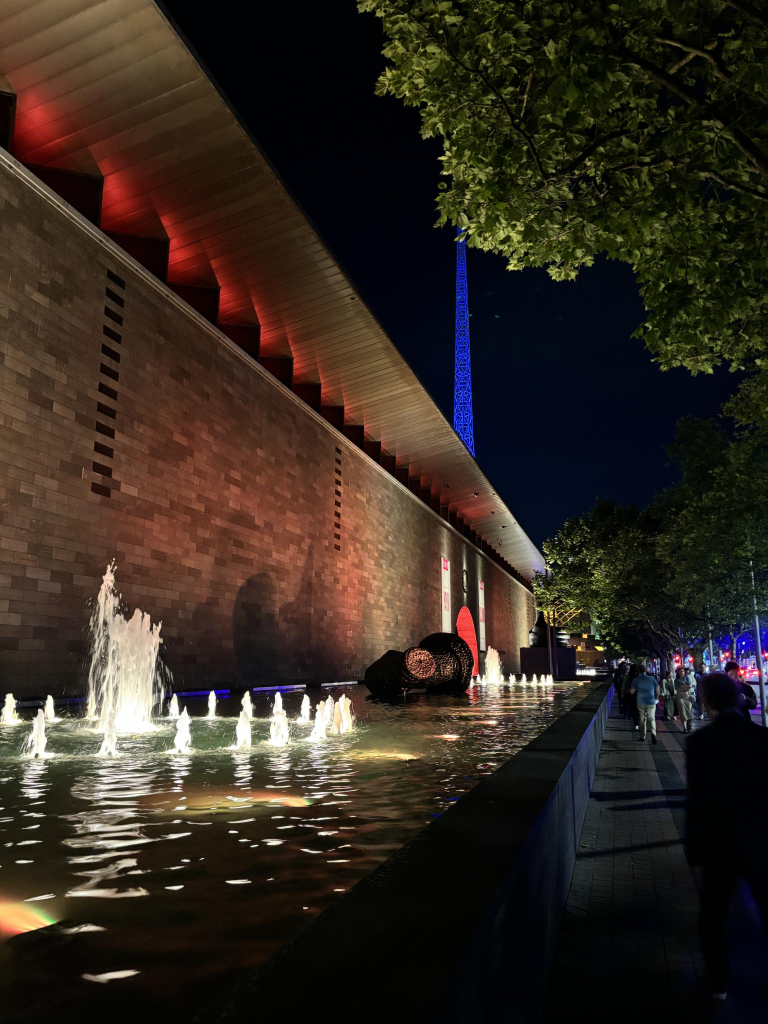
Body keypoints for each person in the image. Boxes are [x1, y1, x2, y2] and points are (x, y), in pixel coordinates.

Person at [686, 673, 768, 1001]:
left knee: (713, 916)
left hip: (720, 842)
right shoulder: (763, 737)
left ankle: (718, 981)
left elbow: (699, 802)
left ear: (707, 701)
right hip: (762, 839)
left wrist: (695, 853)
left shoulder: (700, 743)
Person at [630, 662, 659, 743]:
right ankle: (653, 734)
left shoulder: (636, 680)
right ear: (646, 670)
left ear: (638, 671)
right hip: (651, 701)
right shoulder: (652, 679)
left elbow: (632, 692)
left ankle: (643, 736)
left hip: (641, 702)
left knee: (642, 719)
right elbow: (657, 688)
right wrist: (656, 697)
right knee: (652, 718)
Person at [675, 668, 694, 733]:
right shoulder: (676, 680)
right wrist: (685, 687)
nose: (681, 673)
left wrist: (682, 687)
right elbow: (676, 688)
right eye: (680, 672)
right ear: (678, 673)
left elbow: (690, 686)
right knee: (682, 712)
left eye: (682, 671)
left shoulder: (687, 678)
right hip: (680, 697)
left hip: (687, 697)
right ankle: (685, 728)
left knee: (689, 711)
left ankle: (689, 724)